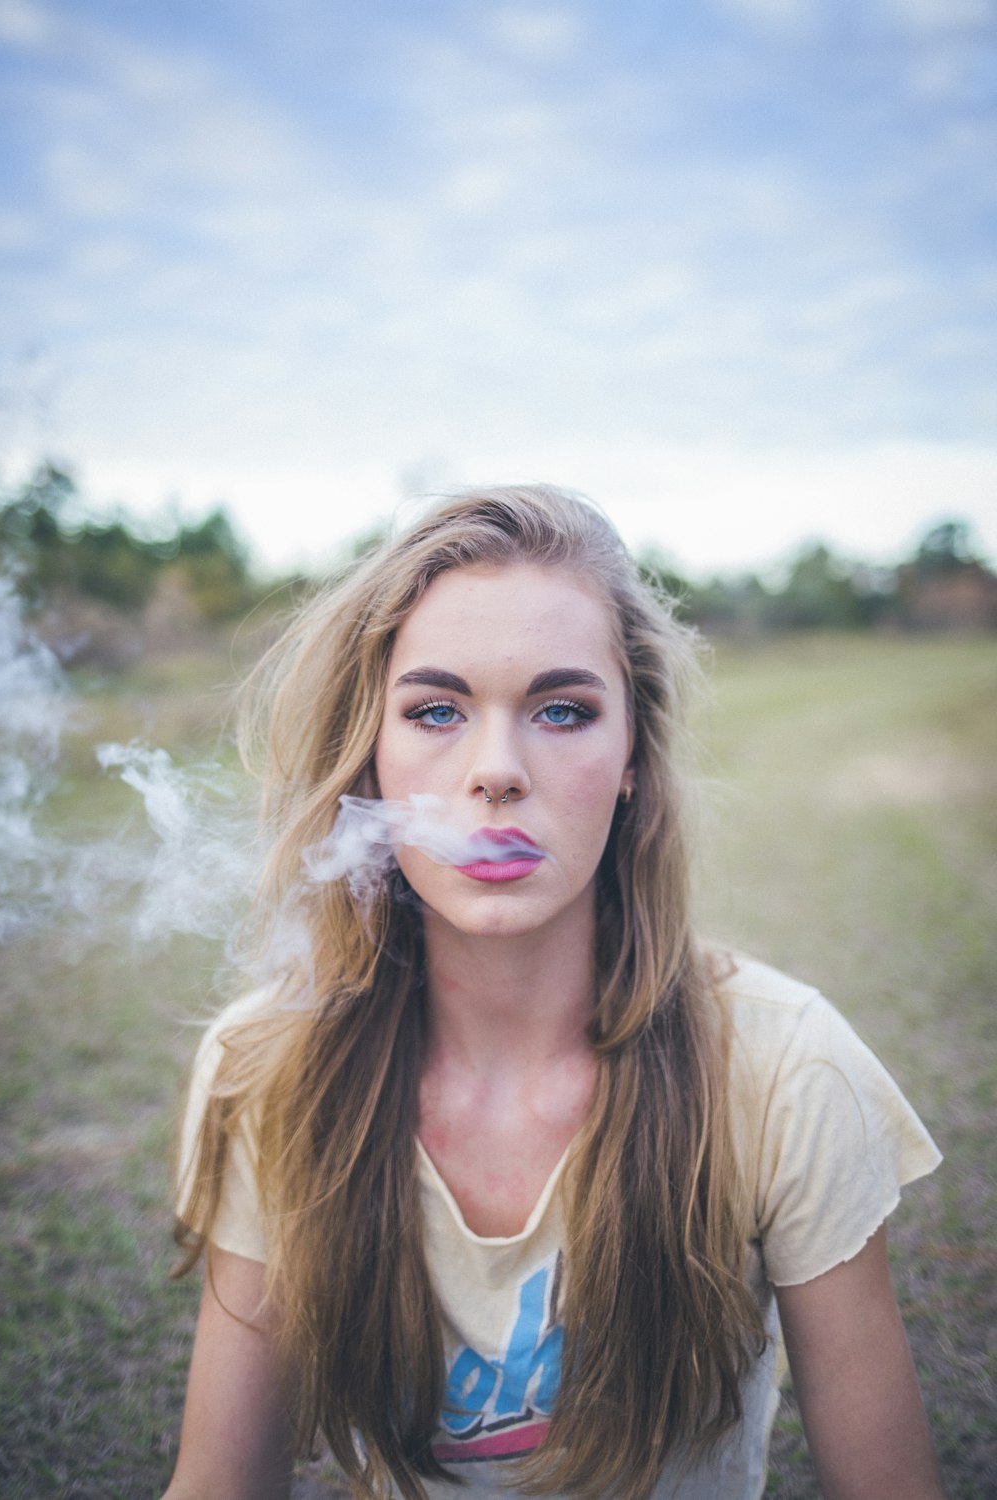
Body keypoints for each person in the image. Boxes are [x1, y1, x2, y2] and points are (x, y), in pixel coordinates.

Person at [163, 485, 944, 1500]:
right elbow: (220, 1483)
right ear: (371, 754)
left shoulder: (784, 1066)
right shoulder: (266, 1066)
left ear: (630, 759)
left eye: (562, 710)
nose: (495, 772)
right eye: (436, 711)